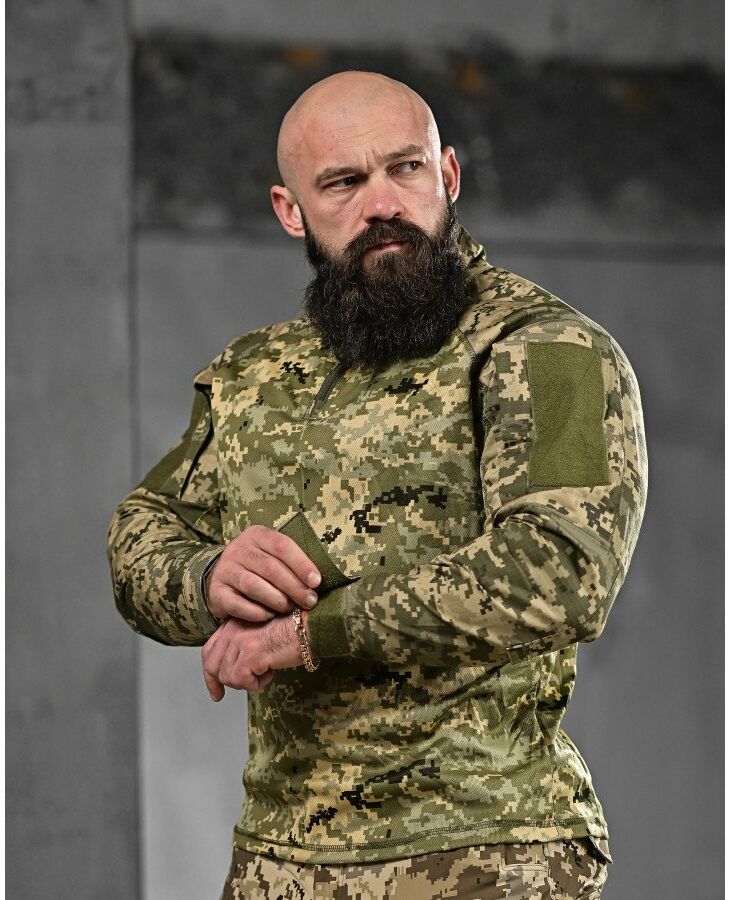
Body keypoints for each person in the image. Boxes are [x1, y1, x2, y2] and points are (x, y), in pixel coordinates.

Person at [107, 70, 648, 899]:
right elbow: (141, 533)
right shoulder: (254, 372)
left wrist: (307, 634)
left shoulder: (550, 351)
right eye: (343, 182)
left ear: (448, 174)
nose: (383, 204)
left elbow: (563, 571)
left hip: (486, 852)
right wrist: (208, 577)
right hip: (278, 862)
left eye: (406, 167)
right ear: (291, 209)